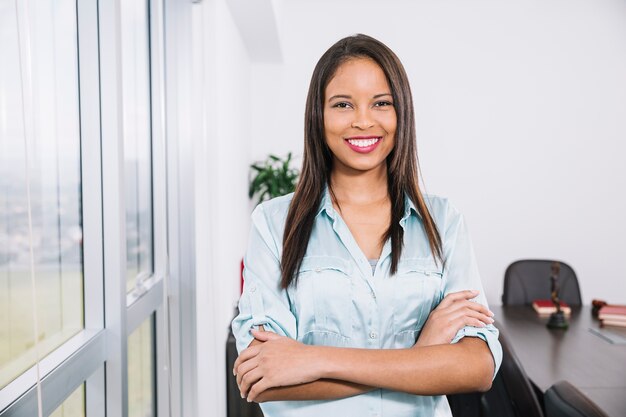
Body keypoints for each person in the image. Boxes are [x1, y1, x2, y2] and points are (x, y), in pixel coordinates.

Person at [231, 34, 502, 417]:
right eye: (343, 104)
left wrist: (311, 359)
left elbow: (478, 367)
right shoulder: (275, 224)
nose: (362, 120)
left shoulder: (443, 221)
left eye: (381, 103)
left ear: (400, 113)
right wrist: (421, 358)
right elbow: (264, 379)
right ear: (318, 115)